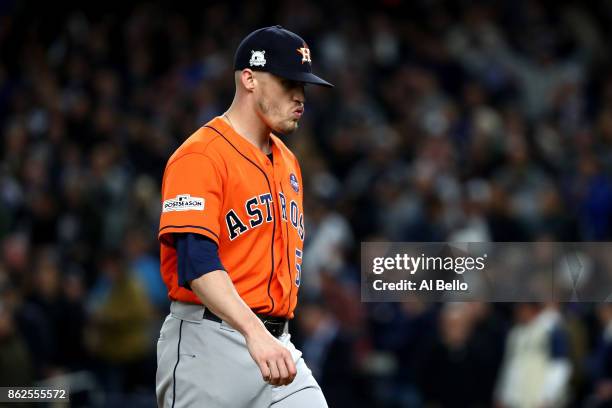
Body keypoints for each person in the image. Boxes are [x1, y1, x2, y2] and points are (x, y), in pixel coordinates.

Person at [155, 25, 333, 408]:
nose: (299, 96)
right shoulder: (201, 155)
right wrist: (254, 333)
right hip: (208, 344)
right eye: (288, 83)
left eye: (303, 86)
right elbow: (196, 264)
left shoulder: (288, 161)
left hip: (277, 344)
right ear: (249, 79)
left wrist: (268, 336)